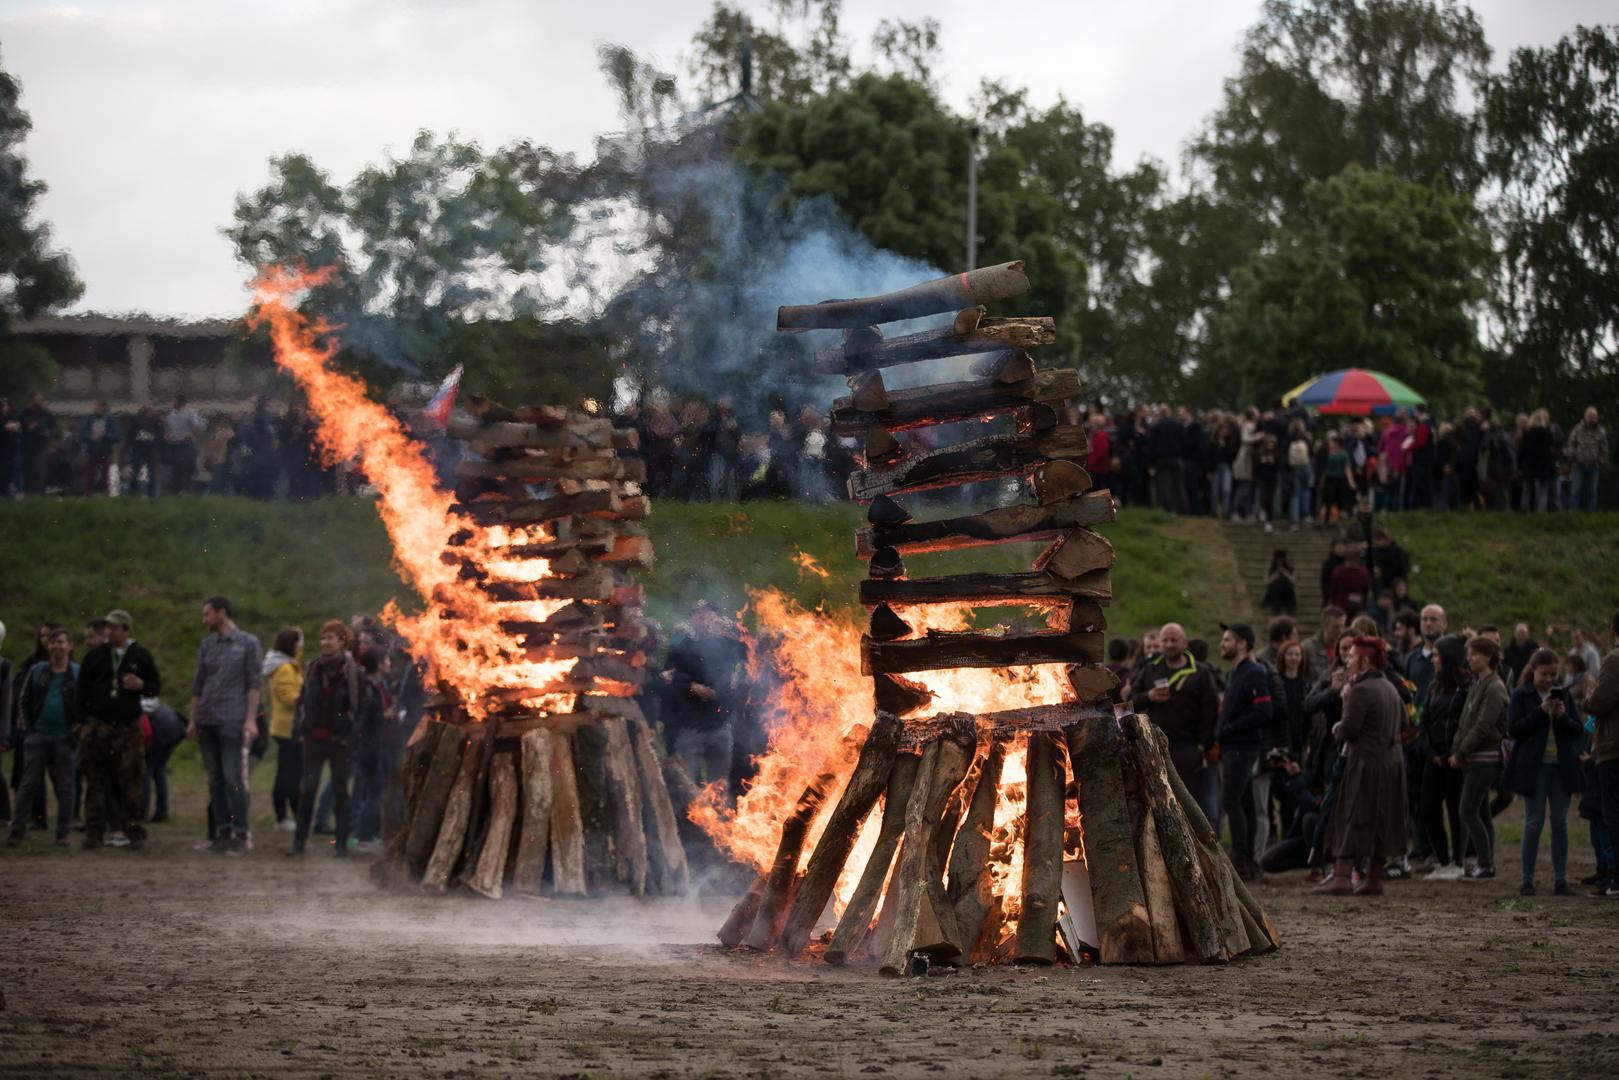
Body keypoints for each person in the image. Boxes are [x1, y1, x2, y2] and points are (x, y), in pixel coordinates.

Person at [1314, 636, 1408, 896]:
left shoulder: (1361, 689)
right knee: (1381, 819)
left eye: (1352, 656)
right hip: (1391, 763)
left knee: (1351, 814)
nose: (1347, 660)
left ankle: (1342, 876)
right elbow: (1405, 724)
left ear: (1365, 660)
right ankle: (1374, 877)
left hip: (1365, 763)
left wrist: (1337, 728)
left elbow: (1348, 729)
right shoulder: (1389, 686)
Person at [76, 609, 161, 850]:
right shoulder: (95, 656)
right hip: (98, 725)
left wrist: (141, 684)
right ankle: (94, 832)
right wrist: (84, 721)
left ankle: (134, 831)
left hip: (127, 726)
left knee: (131, 779)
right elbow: (81, 690)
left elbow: (156, 686)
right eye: (107, 628)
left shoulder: (140, 655)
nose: (108, 632)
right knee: (95, 780)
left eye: (114, 628)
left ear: (126, 630)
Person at [188, 595, 263, 855]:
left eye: (207, 614)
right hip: (207, 719)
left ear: (222, 613)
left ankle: (241, 834)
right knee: (215, 780)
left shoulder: (248, 643)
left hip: (232, 719)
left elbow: (254, 684)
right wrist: (192, 718)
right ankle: (222, 833)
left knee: (234, 779)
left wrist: (251, 718)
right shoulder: (207, 645)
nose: (204, 619)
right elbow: (198, 685)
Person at [1505, 649, 1583, 896]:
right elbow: (1514, 729)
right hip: (1534, 768)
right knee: (1534, 822)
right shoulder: (1521, 694)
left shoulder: (1564, 696)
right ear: (1533, 671)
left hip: (1562, 767)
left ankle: (1561, 880)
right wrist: (1541, 711)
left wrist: (1561, 717)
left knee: (1560, 822)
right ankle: (1527, 879)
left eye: (1554, 675)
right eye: (1544, 674)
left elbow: (1577, 731)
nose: (1549, 680)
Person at [1130, 623, 1220, 826]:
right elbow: (1131, 699)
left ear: (1184, 643)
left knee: (1189, 804)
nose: (1169, 644)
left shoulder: (1200, 673)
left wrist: (1202, 746)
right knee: (1160, 802)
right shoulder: (1151, 668)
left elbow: (1210, 711)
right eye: (1165, 640)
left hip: (1189, 748)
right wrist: (1148, 696)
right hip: (1156, 747)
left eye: (1174, 640)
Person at [290, 621, 364, 857]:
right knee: (307, 790)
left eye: (330, 638)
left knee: (341, 792)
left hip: (339, 741)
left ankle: (341, 843)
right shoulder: (314, 668)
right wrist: (301, 729)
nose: (325, 643)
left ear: (342, 641)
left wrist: (349, 734)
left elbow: (360, 706)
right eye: (323, 638)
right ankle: (299, 842)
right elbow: (304, 700)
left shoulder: (352, 672)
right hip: (314, 738)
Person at [663, 601, 748, 805]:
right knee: (687, 787)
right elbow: (667, 676)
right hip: (690, 728)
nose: (704, 619)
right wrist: (692, 686)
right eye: (699, 615)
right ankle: (687, 831)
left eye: (709, 615)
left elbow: (750, 654)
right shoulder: (681, 648)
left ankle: (718, 832)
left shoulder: (729, 645)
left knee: (718, 788)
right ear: (692, 619)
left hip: (720, 727)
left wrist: (734, 631)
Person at [6, 628, 80, 847]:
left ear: (70, 646)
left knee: (66, 787)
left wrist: (74, 731)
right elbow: (22, 700)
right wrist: (28, 732)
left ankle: (63, 833)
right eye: (53, 642)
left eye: (61, 642)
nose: (57, 645)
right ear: (49, 646)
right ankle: (17, 830)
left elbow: (85, 705)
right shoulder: (38, 671)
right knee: (27, 785)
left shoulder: (77, 673)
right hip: (38, 736)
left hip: (64, 738)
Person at [1450, 636, 1510, 881]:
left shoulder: (1495, 687)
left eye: (1473, 654)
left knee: (1467, 810)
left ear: (1487, 656)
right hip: (1472, 757)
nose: (1469, 658)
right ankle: (1486, 862)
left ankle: (1485, 863)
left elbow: (1483, 725)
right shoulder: (1477, 684)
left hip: (1484, 758)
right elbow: (1465, 721)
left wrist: (1461, 751)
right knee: (1482, 812)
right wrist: (1458, 749)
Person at [1216, 622, 1272, 880]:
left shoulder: (1254, 673)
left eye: (1227, 640)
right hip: (1232, 747)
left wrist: (1231, 726)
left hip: (1242, 747)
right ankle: (1248, 859)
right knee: (1245, 802)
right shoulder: (1235, 673)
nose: (1222, 644)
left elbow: (1264, 711)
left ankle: (1240, 859)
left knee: (1231, 801)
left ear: (1241, 644)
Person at [1587, 611, 1619, 898]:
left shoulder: (1613, 659)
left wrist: (1588, 698)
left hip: (1614, 748)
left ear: (1614, 629)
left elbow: (1601, 701)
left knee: (1613, 814)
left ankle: (1617, 877)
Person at [264, 627, 304, 832]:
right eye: (299, 642)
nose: (301, 646)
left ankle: (287, 815)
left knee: (287, 773)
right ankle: (285, 816)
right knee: (289, 776)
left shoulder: (286, 666)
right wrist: (306, 698)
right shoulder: (285, 668)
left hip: (284, 727)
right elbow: (288, 697)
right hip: (288, 728)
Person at [142, 698, 185, 823]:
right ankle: (162, 811)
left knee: (146, 770)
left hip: (161, 728)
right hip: (175, 727)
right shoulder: (148, 698)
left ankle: (142, 812)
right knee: (159, 770)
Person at [1565, 407, 1607, 512]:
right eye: (1591, 416)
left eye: (1594, 416)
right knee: (1576, 490)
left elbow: (1604, 448)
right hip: (1578, 465)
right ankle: (1573, 515)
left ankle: (1591, 516)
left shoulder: (1600, 431)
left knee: (1592, 491)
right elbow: (1570, 444)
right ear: (1586, 416)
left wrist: (1600, 460)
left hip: (1594, 465)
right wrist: (1573, 457)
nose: (1593, 418)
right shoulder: (1577, 429)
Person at [79, 400, 121, 496]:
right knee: (89, 475)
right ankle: (88, 495)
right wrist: (91, 436)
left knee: (106, 476)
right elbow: (82, 433)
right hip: (91, 451)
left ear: (104, 408)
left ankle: (107, 494)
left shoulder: (111, 420)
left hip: (105, 451)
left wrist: (105, 435)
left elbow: (117, 435)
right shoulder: (89, 419)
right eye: (96, 407)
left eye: (99, 407)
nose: (97, 409)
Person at [1303, 606, 1346, 680]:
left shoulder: (1347, 649)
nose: (1340, 631)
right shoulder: (1307, 648)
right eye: (1336, 627)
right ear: (1324, 626)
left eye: (1342, 627)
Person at [1328, 546, 1372, 619]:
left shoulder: (1339, 571)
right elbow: (1366, 589)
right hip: (1347, 605)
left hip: (1345, 605)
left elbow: (1333, 590)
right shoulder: (1363, 572)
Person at [1262, 550, 1297, 616]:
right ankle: (1276, 611)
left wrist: (1284, 572)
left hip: (1286, 589)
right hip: (1275, 589)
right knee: (1277, 589)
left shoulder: (1288, 568)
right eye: (1278, 560)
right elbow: (1267, 581)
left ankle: (1290, 610)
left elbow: (1293, 580)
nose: (1280, 562)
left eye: (1282, 560)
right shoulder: (1271, 569)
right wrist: (1277, 573)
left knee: (1289, 590)